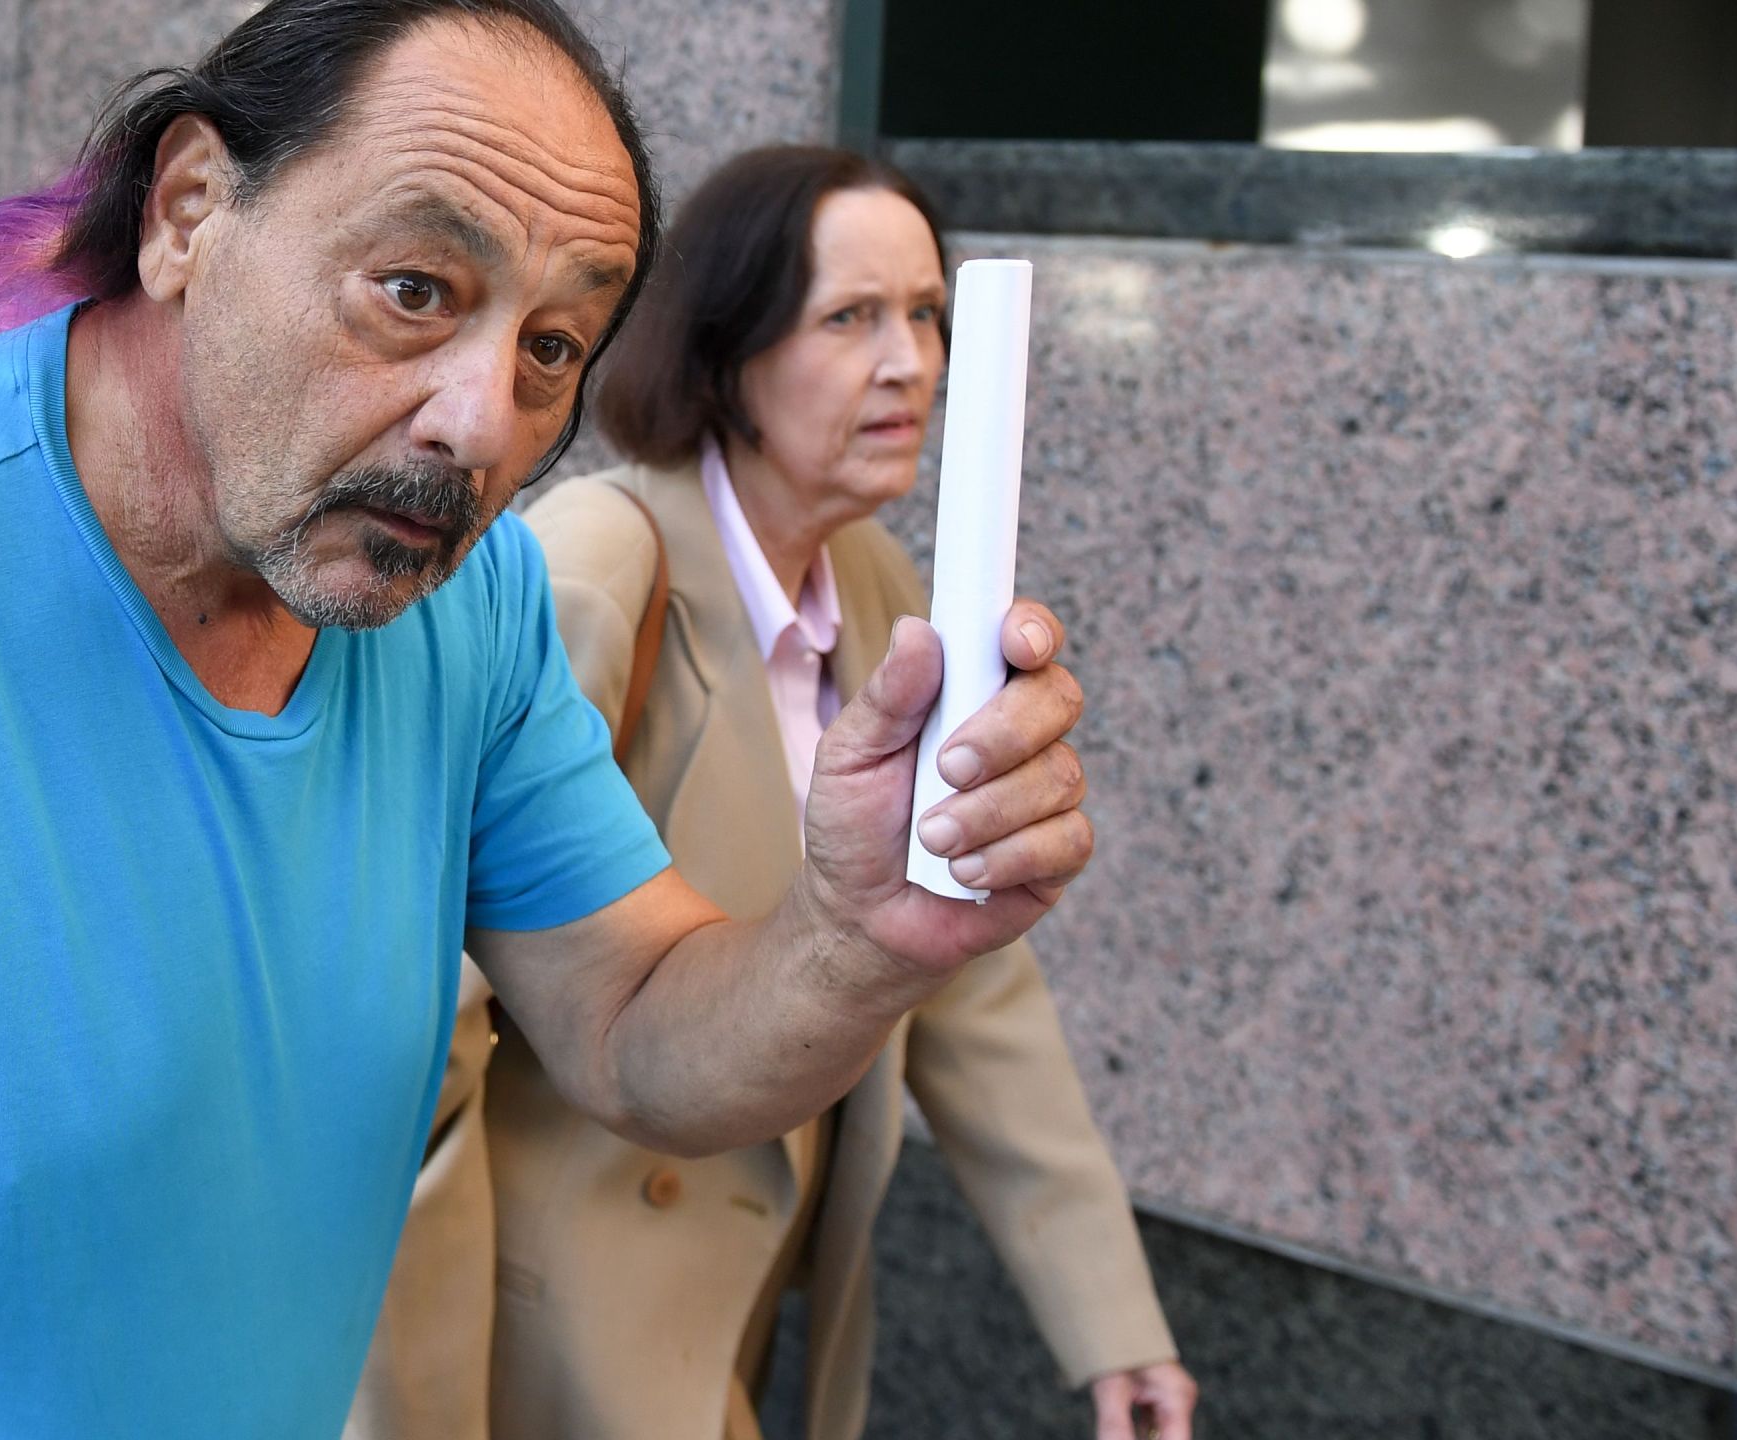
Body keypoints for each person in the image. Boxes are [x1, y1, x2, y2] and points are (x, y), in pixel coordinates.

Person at [0, 5, 1098, 1435]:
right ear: (190, 213)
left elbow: (635, 1032)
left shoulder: (458, 617)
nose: (481, 418)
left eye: (553, 348)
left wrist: (861, 939)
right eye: (416, 289)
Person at [350, 148, 1197, 1440]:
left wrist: (1110, 1327)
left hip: (733, 1309)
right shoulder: (595, 567)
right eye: (851, 317)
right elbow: (427, 1041)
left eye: (927, 314)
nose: (910, 361)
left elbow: (961, 977)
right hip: (532, 1334)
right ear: (726, 349)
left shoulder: (880, 593)